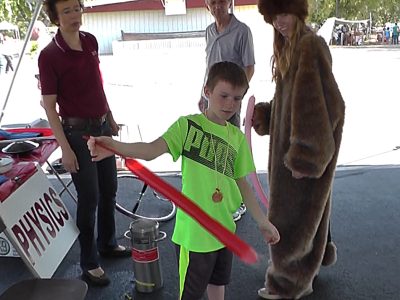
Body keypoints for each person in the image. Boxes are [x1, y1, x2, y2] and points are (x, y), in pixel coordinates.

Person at [88, 61, 280, 300]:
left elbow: (244, 184)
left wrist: (262, 220)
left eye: (237, 98)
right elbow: (150, 150)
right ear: (207, 91)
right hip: (194, 236)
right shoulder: (187, 127)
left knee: (218, 284)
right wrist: (113, 145)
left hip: (225, 231)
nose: (230, 104)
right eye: (224, 95)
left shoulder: (237, 139)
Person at [254, 0, 345, 298]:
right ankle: (304, 273)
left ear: (297, 11)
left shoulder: (309, 46)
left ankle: (288, 284)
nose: (278, 22)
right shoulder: (292, 48)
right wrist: (267, 115)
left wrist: (305, 157)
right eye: (273, 17)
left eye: (283, 14)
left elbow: (321, 106)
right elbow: (291, 103)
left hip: (300, 157)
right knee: (305, 217)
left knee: (290, 218)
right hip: (294, 153)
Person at [38, 0, 130, 287]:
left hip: (102, 126)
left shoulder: (90, 41)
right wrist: (65, 148)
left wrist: (110, 116)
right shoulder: (49, 55)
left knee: (110, 189)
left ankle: (108, 243)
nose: (75, 15)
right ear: (55, 17)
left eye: (77, 8)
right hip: (77, 134)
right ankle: (89, 262)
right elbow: (50, 107)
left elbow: (97, 83)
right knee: (89, 196)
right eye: (66, 11)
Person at [199, 0, 256, 221]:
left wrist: (234, 96)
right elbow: (208, 68)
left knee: (230, 152)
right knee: (212, 152)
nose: (217, 6)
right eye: (212, 2)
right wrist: (203, 95)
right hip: (210, 101)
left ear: (229, 3)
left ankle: (237, 203)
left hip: (229, 105)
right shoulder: (209, 32)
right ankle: (217, 199)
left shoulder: (242, 31)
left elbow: (249, 67)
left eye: (221, 1)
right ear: (207, 5)